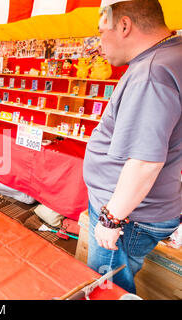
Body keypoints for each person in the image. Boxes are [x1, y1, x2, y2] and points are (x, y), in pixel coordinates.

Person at [83, 0, 181, 294]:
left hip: (128, 217)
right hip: (147, 207)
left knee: (107, 288)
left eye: (101, 32)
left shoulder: (151, 73)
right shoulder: (173, 54)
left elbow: (144, 162)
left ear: (124, 26)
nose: (100, 44)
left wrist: (111, 219)